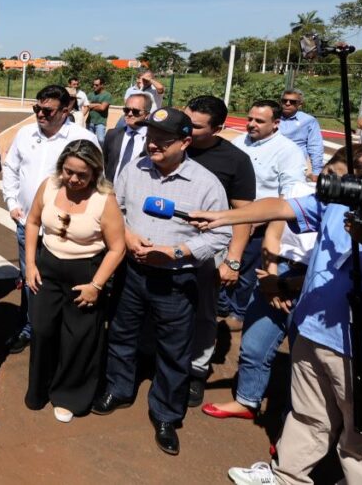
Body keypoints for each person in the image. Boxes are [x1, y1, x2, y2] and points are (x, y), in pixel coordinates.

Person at [192, 133, 362, 485]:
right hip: (312, 333)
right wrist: (223, 217)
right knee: (308, 417)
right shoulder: (345, 197)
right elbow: (282, 207)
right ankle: (287, 477)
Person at [92, 107, 231, 456]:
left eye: (162, 141)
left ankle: (166, 414)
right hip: (133, 273)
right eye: (151, 138)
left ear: (185, 142)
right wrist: (127, 235)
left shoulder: (206, 184)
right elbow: (115, 209)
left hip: (176, 279)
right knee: (122, 334)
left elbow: (220, 236)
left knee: (174, 349)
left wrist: (177, 253)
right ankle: (119, 389)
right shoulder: (133, 169)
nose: (152, 145)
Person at [202, 147, 361, 426]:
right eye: (330, 174)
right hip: (276, 269)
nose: (331, 184)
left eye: (340, 180)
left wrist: (287, 285)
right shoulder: (307, 193)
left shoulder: (359, 215)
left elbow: (337, 269)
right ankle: (247, 400)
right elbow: (274, 229)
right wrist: (272, 279)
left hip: (315, 283)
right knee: (254, 345)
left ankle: (295, 425)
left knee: (306, 363)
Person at [23, 140, 125, 422]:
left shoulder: (104, 200)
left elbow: (117, 248)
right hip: (47, 269)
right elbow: (32, 222)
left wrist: (96, 286)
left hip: (85, 274)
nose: (74, 179)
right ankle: (39, 388)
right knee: (42, 329)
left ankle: (69, 395)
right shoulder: (50, 186)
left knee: (78, 337)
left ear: (95, 172)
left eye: (82, 174)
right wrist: (30, 264)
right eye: (69, 171)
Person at [2, 85, 99, 354]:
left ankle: (59, 331)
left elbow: (95, 182)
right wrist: (11, 202)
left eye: (47, 110)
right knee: (30, 278)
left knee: (62, 282)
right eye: (37, 108)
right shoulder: (25, 134)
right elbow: (11, 169)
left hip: (65, 231)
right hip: (27, 226)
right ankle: (30, 327)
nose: (40, 114)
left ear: (66, 110)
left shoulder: (83, 138)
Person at [183, 95, 256, 407]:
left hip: (208, 248)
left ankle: (196, 370)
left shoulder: (235, 161)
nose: (187, 130)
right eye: (186, 121)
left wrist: (233, 259)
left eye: (196, 127)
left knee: (203, 311)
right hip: (163, 242)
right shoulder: (173, 145)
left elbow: (244, 214)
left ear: (218, 128)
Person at [222, 100, 307, 327]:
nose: (251, 124)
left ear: (276, 123)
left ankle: (238, 314)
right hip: (230, 217)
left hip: (261, 224)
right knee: (224, 263)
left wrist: (257, 220)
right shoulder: (238, 142)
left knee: (247, 271)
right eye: (249, 119)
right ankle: (221, 305)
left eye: (259, 121)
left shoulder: (288, 151)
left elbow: (291, 194)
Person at [277, 89, 324, 181]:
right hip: (271, 162)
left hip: (295, 166)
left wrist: (316, 172)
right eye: (284, 100)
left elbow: (315, 146)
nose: (287, 103)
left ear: (300, 104)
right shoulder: (272, 117)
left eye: (292, 102)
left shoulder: (309, 121)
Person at [103, 93, 151, 183]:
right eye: (126, 110)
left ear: (147, 114)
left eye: (135, 111)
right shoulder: (112, 134)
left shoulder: (153, 140)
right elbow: (106, 162)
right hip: (112, 191)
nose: (129, 114)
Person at [86, 77, 112, 146]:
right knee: (89, 142)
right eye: (93, 85)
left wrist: (91, 105)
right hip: (89, 121)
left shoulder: (107, 95)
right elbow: (86, 106)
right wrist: (98, 104)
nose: (94, 86)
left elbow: (102, 108)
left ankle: (102, 155)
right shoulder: (90, 94)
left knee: (101, 141)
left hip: (100, 122)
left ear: (102, 85)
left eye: (96, 85)